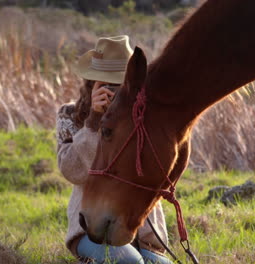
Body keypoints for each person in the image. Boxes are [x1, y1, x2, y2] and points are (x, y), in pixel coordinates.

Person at [56, 35, 172, 264]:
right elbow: (72, 172)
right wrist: (94, 122)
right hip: (94, 230)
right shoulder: (71, 115)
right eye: (109, 84)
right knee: (131, 263)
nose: (116, 91)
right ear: (93, 82)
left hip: (144, 235)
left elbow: (161, 175)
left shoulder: (142, 116)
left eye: (121, 84)